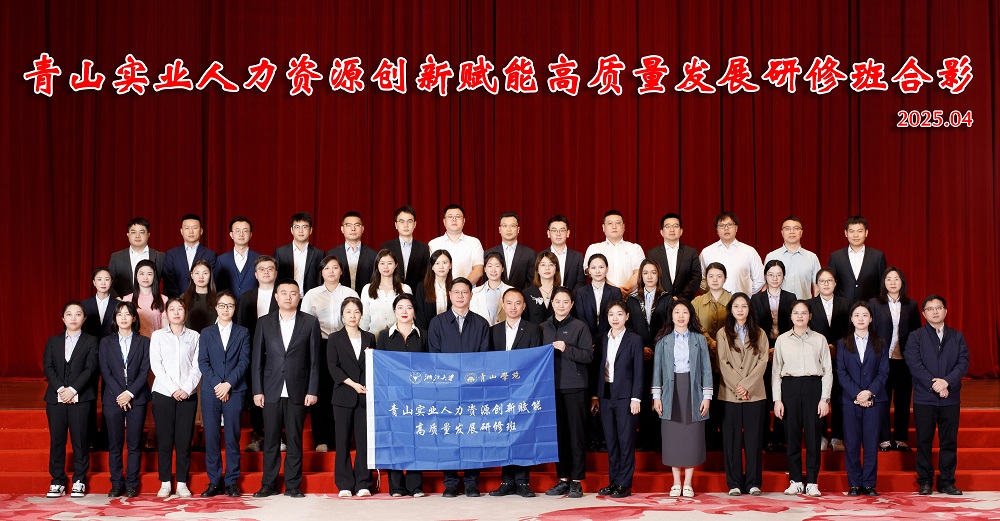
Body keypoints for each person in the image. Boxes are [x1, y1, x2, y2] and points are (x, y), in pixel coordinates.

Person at [251, 279, 321, 498]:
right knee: (271, 439)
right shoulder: (264, 322)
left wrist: (312, 390)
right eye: (284, 293)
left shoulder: (310, 322)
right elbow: (257, 360)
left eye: (293, 293)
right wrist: (257, 390)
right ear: (276, 297)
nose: (288, 297)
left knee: (294, 439)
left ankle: (292, 485)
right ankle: (268, 484)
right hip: (271, 389)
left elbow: (314, 361)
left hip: (298, 389)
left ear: (299, 297)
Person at [427, 277, 490, 497]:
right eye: (457, 292)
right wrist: (452, 378)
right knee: (448, 433)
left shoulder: (481, 324)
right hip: (447, 389)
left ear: (471, 295)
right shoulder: (437, 323)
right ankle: (451, 482)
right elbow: (434, 356)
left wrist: (469, 378)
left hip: (473, 389)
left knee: (473, 433)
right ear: (449, 295)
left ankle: (472, 482)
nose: (461, 296)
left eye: (465, 292)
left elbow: (484, 357)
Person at [905, 295, 969, 496]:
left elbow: (963, 363)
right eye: (930, 309)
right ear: (924, 314)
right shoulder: (916, 336)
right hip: (925, 397)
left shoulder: (957, 336)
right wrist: (936, 385)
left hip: (950, 397)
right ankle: (925, 481)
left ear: (945, 311)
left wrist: (946, 382)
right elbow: (914, 364)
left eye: (938, 308)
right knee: (924, 441)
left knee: (949, 441)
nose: (935, 311)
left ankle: (947, 482)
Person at [652, 298, 713, 498]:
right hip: (670, 391)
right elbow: (657, 371)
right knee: (672, 436)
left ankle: (688, 483)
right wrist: (657, 397)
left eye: (685, 312)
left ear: (690, 316)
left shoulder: (699, 340)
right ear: (671, 316)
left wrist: (707, 396)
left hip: (693, 389)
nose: (680, 316)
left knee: (692, 435)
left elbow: (706, 369)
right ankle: (676, 482)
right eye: (677, 312)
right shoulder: (663, 341)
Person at [772, 300, 832, 497]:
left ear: (810, 316)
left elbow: (828, 371)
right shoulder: (782, 340)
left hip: (813, 387)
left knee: (814, 437)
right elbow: (776, 372)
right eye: (796, 312)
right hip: (789, 387)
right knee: (792, 437)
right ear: (790, 316)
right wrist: (777, 399)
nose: (800, 316)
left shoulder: (819, 339)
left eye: (804, 312)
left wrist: (824, 398)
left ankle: (813, 482)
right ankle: (796, 480)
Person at [300, 256, 360, 452]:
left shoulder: (350, 293)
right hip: (321, 344)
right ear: (321, 272)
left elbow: (357, 317)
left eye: (335, 267)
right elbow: (304, 324)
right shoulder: (312, 294)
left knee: (344, 389)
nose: (331, 271)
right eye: (327, 268)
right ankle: (322, 439)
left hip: (346, 342)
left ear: (341, 271)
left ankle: (343, 439)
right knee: (323, 391)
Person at [488, 288, 543, 498]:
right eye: (509, 303)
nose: (513, 307)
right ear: (503, 304)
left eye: (518, 303)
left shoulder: (533, 330)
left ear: (524, 306)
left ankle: (522, 481)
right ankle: (506, 481)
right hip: (501, 391)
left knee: (523, 433)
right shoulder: (493, 331)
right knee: (505, 433)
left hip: (524, 390)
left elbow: (535, 359)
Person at [197, 290, 251, 498]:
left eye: (230, 305)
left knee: (232, 438)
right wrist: (218, 385)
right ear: (216, 307)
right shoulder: (206, 333)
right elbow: (203, 362)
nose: (226, 309)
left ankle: (231, 481)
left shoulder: (243, 332)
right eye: (222, 305)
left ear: (235, 309)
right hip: (211, 391)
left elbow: (244, 362)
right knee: (211, 437)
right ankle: (214, 481)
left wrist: (228, 384)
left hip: (235, 390)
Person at [43, 302, 99, 499]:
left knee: (80, 440)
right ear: (63, 318)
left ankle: (79, 480)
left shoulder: (91, 341)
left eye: (78, 314)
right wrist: (61, 389)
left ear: (84, 319)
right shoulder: (53, 341)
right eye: (69, 314)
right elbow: (48, 367)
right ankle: (57, 481)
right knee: (57, 441)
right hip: (55, 399)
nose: (73, 318)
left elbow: (91, 369)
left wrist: (73, 390)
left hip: (81, 398)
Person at [542, 287, 593, 498]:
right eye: (557, 301)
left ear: (572, 305)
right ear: (552, 303)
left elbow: (588, 356)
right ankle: (562, 479)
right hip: (550, 388)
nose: (561, 305)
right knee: (559, 436)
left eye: (565, 302)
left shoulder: (580, 326)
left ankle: (576, 481)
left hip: (575, 387)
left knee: (576, 435)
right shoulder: (543, 327)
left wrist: (567, 348)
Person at [716, 293, 769, 496]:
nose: (740, 310)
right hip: (730, 394)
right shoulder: (723, 333)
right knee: (731, 440)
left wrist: (746, 385)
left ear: (749, 309)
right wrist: (739, 387)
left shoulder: (760, 333)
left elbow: (763, 361)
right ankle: (734, 483)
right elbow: (722, 362)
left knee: (754, 439)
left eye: (744, 306)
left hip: (754, 394)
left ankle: (754, 482)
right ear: (731, 310)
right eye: (736, 306)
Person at [149, 298, 202, 498]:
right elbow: (156, 365)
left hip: (188, 394)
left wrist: (186, 388)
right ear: (166, 313)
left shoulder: (195, 336)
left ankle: (181, 482)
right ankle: (165, 482)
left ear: (185, 312)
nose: (176, 312)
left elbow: (198, 365)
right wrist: (173, 388)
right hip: (163, 393)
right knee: (164, 439)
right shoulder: (158, 336)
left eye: (180, 309)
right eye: (172, 309)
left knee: (184, 439)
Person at [376, 294, 427, 497]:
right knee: (395, 439)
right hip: (392, 396)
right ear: (394, 311)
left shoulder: (423, 335)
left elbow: (429, 365)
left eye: (409, 307)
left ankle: (415, 485)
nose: (404, 311)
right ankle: (396, 486)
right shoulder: (384, 336)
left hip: (417, 396)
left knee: (416, 438)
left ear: (414, 311)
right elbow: (379, 367)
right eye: (400, 307)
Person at [836, 301, 889, 496]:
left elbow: (884, 372)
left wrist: (869, 392)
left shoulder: (880, 342)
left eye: (865, 315)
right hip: (850, 401)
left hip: (875, 400)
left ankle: (868, 484)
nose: (861, 319)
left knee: (871, 443)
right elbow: (841, 372)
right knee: (851, 444)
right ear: (851, 319)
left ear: (871, 318)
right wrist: (857, 394)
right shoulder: (842, 343)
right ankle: (854, 484)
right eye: (857, 315)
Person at [592, 301, 643, 498]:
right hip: (606, 394)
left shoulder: (634, 340)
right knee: (611, 441)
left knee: (625, 440)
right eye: (611, 314)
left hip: (626, 395)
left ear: (627, 316)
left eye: (619, 314)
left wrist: (636, 398)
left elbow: (639, 371)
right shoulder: (602, 339)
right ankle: (613, 481)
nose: (615, 318)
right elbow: (597, 367)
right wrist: (595, 395)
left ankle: (624, 483)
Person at [99, 301, 150, 498]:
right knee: (115, 444)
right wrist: (120, 393)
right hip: (113, 398)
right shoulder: (106, 342)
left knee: (134, 443)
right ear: (115, 318)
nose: (123, 317)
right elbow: (106, 371)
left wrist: (130, 393)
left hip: (137, 398)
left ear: (134, 318)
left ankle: (131, 483)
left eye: (127, 314)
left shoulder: (144, 342)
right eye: (119, 314)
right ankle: (116, 483)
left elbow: (145, 371)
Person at [869, 267, 921, 452]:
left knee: (903, 400)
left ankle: (900, 438)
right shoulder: (874, 304)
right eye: (889, 279)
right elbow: (870, 332)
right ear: (883, 282)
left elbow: (917, 333)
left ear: (902, 282)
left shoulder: (911, 305)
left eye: (896, 279)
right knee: (882, 399)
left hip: (903, 360)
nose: (892, 282)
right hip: (882, 359)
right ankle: (883, 438)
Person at [329, 297, 376, 497]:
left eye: (356, 312)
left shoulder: (369, 337)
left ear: (361, 314)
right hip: (343, 396)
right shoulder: (334, 338)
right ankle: (344, 484)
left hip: (365, 396)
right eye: (348, 312)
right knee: (343, 442)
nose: (352, 316)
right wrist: (353, 384)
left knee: (364, 442)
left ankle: (363, 483)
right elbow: (333, 367)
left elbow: (373, 366)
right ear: (342, 315)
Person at [625, 259, 670, 451]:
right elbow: (628, 327)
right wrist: (640, 348)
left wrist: (658, 348)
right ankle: (643, 439)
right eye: (645, 273)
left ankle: (661, 440)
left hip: (662, 354)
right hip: (640, 354)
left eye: (653, 272)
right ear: (640, 276)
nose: (649, 276)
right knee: (642, 394)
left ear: (659, 275)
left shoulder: (667, 298)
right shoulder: (632, 300)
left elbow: (670, 326)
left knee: (662, 395)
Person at [235, 255, 279, 453]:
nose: (266, 272)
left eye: (270, 269)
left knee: (275, 395)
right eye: (262, 269)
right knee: (256, 393)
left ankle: (275, 435)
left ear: (276, 273)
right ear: (255, 274)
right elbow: (242, 327)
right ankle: (257, 434)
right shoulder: (247, 297)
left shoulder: (282, 294)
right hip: (253, 352)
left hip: (277, 354)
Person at [807, 268, 851, 452]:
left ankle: (838, 437)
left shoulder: (846, 303)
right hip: (816, 358)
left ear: (835, 283)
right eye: (822, 281)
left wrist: (836, 347)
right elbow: (806, 332)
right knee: (819, 397)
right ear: (817, 284)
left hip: (841, 356)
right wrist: (824, 348)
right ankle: (822, 436)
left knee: (839, 397)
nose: (826, 284)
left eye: (829, 280)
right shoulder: (809, 304)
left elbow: (850, 330)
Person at [691, 262, 731, 450]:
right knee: (706, 397)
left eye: (719, 276)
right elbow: (694, 325)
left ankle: (725, 438)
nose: (715, 280)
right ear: (705, 279)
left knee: (724, 399)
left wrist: (721, 343)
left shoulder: (733, 300)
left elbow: (738, 324)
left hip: (729, 359)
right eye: (711, 276)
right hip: (703, 358)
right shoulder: (696, 302)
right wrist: (710, 342)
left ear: (725, 278)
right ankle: (707, 437)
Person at [699, 212, 764, 296]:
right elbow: (700, 279)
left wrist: (745, 296)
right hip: (714, 302)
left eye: (730, 225)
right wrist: (710, 295)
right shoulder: (706, 252)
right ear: (717, 230)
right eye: (722, 226)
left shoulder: (749, 251)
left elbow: (760, 280)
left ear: (736, 228)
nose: (726, 228)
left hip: (741, 302)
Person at [827, 216, 887, 304]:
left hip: (870, 307)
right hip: (842, 308)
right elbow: (831, 283)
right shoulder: (835, 257)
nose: (855, 235)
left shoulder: (878, 256)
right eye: (851, 231)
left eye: (859, 231)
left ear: (866, 233)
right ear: (846, 233)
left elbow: (883, 285)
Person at [583, 210, 643, 298]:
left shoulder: (635, 248)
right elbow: (590, 272)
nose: (614, 226)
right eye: (610, 223)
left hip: (630, 298)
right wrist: (615, 292)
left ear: (624, 227)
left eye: (618, 223)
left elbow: (639, 273)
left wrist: (623, 291)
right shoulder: (594, 248)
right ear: (603, 227)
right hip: (602, 298)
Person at [644, 213, 702, 301]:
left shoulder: (691, 252)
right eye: (668, 226)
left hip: (685, 302)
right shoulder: (652, 254)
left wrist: (681, 297)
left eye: (675, 226)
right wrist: (664, 298)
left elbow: (696, 277)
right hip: (659, 301)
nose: (672, 230)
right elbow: (649, 277)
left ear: (681, 231)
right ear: (661, 232)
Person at [764, 216, 821, 300]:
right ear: (782, 232)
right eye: (787, 229)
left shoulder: (812, 257)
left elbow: (817, 287)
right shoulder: (772, 256)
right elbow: (766, 285)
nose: (792, 232)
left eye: (796, 228)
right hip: (778, 307)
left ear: (801, 232)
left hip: (804, 306)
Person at [162, 214, 218, 298]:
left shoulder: (210, 255)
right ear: (181, 231)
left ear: (201, 231)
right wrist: (180, 300)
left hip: (202, 300)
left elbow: (212, 280)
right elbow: (168, 281)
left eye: (194, 228)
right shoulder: (171, 254)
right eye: (187, 228)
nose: (191, 232)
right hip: (176, 301)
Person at [428, 204, 485, 285]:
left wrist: (461, 288)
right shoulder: (433, 244)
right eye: (450, 217)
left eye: (458, 217)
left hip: (466, 291)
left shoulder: (474, 242)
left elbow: (478, 270)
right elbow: (429, 272)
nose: (454, 219)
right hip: (439, 291)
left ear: (464, 221)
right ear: (444, 221)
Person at [108, 217, 165, 298]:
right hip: (123, 303)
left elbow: (169, 283)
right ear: (128, 235)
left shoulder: (160, 256)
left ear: (148, 235)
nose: (137, 236)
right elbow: (108, 282)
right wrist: (118, 300)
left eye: (141, 232)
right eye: (133, 232)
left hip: (153, 303)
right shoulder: (116, 257)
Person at [359, 249, 412, 335]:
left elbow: (410, 317)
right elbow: (364, 319)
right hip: (373, 336)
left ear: (396, 265)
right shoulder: (367, 289)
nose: (386, 267)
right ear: (377, 265)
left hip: (399, 336)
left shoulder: (405, 289)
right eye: (382, 263)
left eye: (390, 263)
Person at [573, 253, 620, 345]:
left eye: (601, 267)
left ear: (607, 269)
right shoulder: (581, 292)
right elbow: (580, 317)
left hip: (610, 339)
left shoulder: (615, 292)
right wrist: (589, 339)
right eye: (593, 268)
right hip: (586, 340)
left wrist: (605, 338)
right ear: (589, 271)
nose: (597, 271)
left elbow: (617, 317)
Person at [328, 211, 378, 294]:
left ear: (362, 229)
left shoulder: (373, 255)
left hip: (365, 298)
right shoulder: (332, 254)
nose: (353, 229)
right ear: (342, 229)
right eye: (349, 225)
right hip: (339, 298)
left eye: (357, 225)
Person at [274, 212, 324, 295]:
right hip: (286, 298)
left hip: (310, 298)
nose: (301, 231)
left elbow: (320, 280)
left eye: (304, 227)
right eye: (297, 227)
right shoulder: (280, 252)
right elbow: (275, 278)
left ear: (311, 230)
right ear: (291, 230)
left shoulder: (319, 254)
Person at [381, 205, 430, 289]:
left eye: (409, 221)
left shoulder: (423, 248)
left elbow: (425, 276)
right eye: (401, 221)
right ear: (396, 225)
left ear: (415, 224)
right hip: (393, 291)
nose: (406, 225)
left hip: (416, 292)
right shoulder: (387, 246)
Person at [751, 260, 797, 347]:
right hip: (763, 343)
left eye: (779, 275)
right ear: (765, 276)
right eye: (771, 275)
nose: (775, 278)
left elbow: (792, 324)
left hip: (787, 343)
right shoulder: (756, 299)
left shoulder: (791, 297)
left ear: (783, 276)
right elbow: (755, 325)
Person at [486, 212, 536, 289]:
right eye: (505, 226)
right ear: (499, 229)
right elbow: (485, 281)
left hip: (522, 296)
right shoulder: (488, 253)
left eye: (512, 226)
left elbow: (532, 282)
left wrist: (518, 296)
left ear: (518, 229)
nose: (508, 229)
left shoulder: (530, 254)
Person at [216, 216, 260, 297]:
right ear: (231, 235)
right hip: (228, 304)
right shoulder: (221, 260)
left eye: (245, 231)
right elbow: (217, 286)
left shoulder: (259, 259)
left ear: (250, 234)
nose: (241, 234)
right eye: (237, 231)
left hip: (253, 303)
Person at [122, 259, 167, 338]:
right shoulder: (127, 299)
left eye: (149, 274)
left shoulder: (164, 299)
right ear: (136, 276)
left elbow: (165, 329)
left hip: (156, 342)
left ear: (154, 276)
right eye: (141, 274)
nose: (145, 277)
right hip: (135, 342)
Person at [542, 215, 585, 290]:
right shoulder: (541, 256)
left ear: (568, 233)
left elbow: (580, 283)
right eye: (554, 230)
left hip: (571, 296)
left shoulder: (577, 257)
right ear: (548, 233)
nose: (558, 234)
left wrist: (569, 296)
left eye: (562, 230)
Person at [412, 249, 452, 331]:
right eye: (437, 263)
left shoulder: (455, 287)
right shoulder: (422, 287)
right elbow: (420, 316)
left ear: (450, 265)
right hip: (428, 333)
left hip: (451, 333)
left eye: (444, 263)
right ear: (432, 267)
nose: (441, 267)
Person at [469, 251, 511, 326]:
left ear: (502, 269)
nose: (493, 270)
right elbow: (473, 319)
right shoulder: (475, 292)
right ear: (485, 269)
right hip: (482, 332)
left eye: (497, 266)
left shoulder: (511, 291)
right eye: (490, 266)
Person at [524, 252, 560, 325]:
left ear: (556, 269)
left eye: (551, 264)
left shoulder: (562, 293)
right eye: (543, 265)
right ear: (537, 269)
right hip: (534, 331)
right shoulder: (527, 293)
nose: (547, 268)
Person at [182, 259, 218, 332]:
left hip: (212, 337)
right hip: (190, 338)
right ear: (191, 275)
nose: (201, 277)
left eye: (205, 273)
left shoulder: (218, 298)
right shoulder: (184, 297)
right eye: (197, 273)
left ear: (210, 275)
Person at [82, 267, 117, 339]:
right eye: (99, 279)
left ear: (111, 282)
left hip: (112, 343)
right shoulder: (84, 304)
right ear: (94, 282)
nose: (103, 283)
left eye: (107, 279)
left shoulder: (118, 305)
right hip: (90, 343)